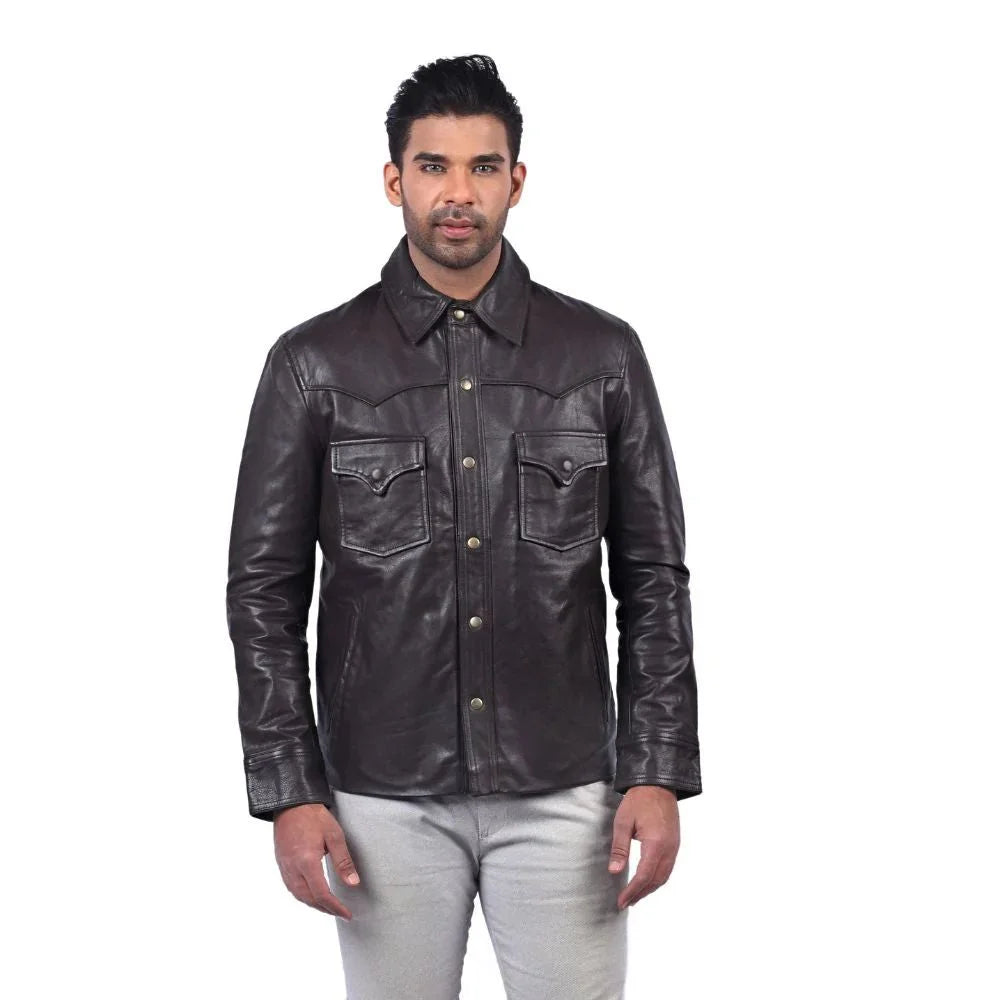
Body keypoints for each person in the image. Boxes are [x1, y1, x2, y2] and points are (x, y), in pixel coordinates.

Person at [226, 52, 702, 999]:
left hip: (567, 788)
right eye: (433, 166)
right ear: (394, 180)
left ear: (516, 181)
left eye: (483, 167)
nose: (458, 193)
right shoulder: (313, 364)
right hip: (379, 798)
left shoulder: (602, 355)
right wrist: (291, 789)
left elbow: (654, 579)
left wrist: (654, 769)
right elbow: (263, 595)